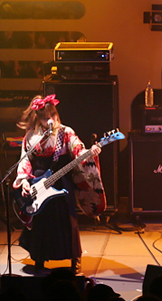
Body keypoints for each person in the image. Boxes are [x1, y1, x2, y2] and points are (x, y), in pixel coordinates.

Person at [13, 94, 101, 274]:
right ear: (38, 118)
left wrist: (90, 152)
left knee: (67, 219)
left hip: (62, 181)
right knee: (41, 221)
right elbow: (25, 159)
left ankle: (74, 258)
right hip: (37, 181)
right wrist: (24, 181)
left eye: (52, 115)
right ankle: (39, 258)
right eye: (45, 117)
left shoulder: (66, 132)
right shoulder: (31, 135)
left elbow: (77, 150)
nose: (50, 120)